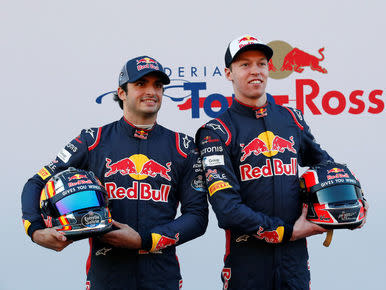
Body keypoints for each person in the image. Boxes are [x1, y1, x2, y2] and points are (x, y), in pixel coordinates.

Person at [21, 55, 208, 289]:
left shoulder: (184, 147)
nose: (151, 91)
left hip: (162, 277)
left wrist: (144, 241)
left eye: (157, 85)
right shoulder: (93, 140)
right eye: (141, 84)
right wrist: (36, 230)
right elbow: (36, 183)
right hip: (106, 277)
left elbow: (197, 217)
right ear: (121, 92)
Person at [196, 34, 364, 290]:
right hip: (247, 262)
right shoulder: (216, 131)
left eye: (261, 63)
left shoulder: (291, 118)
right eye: (245, 65)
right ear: (229, 73)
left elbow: (325, 166)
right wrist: (286, 232)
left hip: (294, 262)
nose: (255, 71)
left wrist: (348, 206)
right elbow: (226, 208)